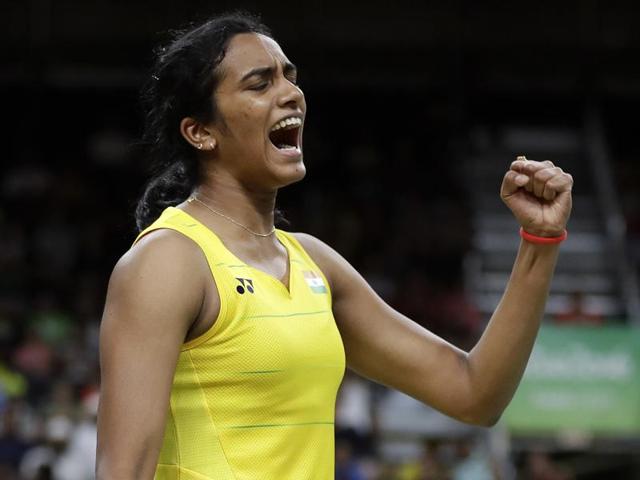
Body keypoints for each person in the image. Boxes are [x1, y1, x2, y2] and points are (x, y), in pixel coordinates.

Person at [95, 12, 574, 480]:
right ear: (200, 131)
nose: (291, 94)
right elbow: (123, 470)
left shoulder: (313, 262)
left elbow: (475, 394)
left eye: (289, 77)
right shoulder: (169, 260)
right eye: (260, 84)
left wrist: (541, 241)